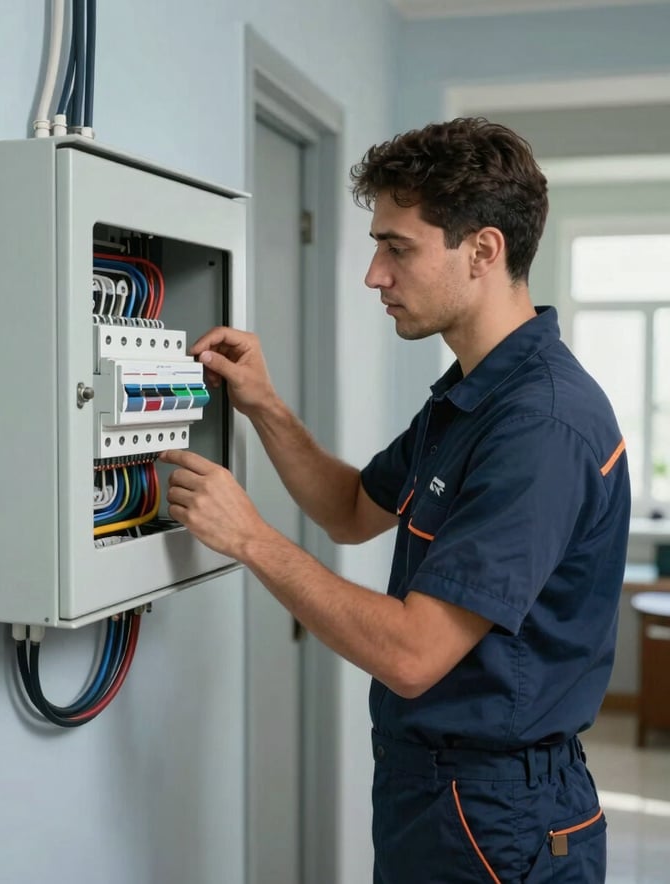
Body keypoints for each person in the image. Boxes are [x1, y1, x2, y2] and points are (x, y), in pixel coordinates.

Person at [159, 117, 630, 883]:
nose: (374, 275)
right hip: (437, 793)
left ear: (483, 250)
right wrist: (266, 408)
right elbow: (350, 508)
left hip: (500, 819)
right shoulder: (476, 396)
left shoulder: (540, 425)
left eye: (397, 248)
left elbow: (414, 656)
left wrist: (251, 539)